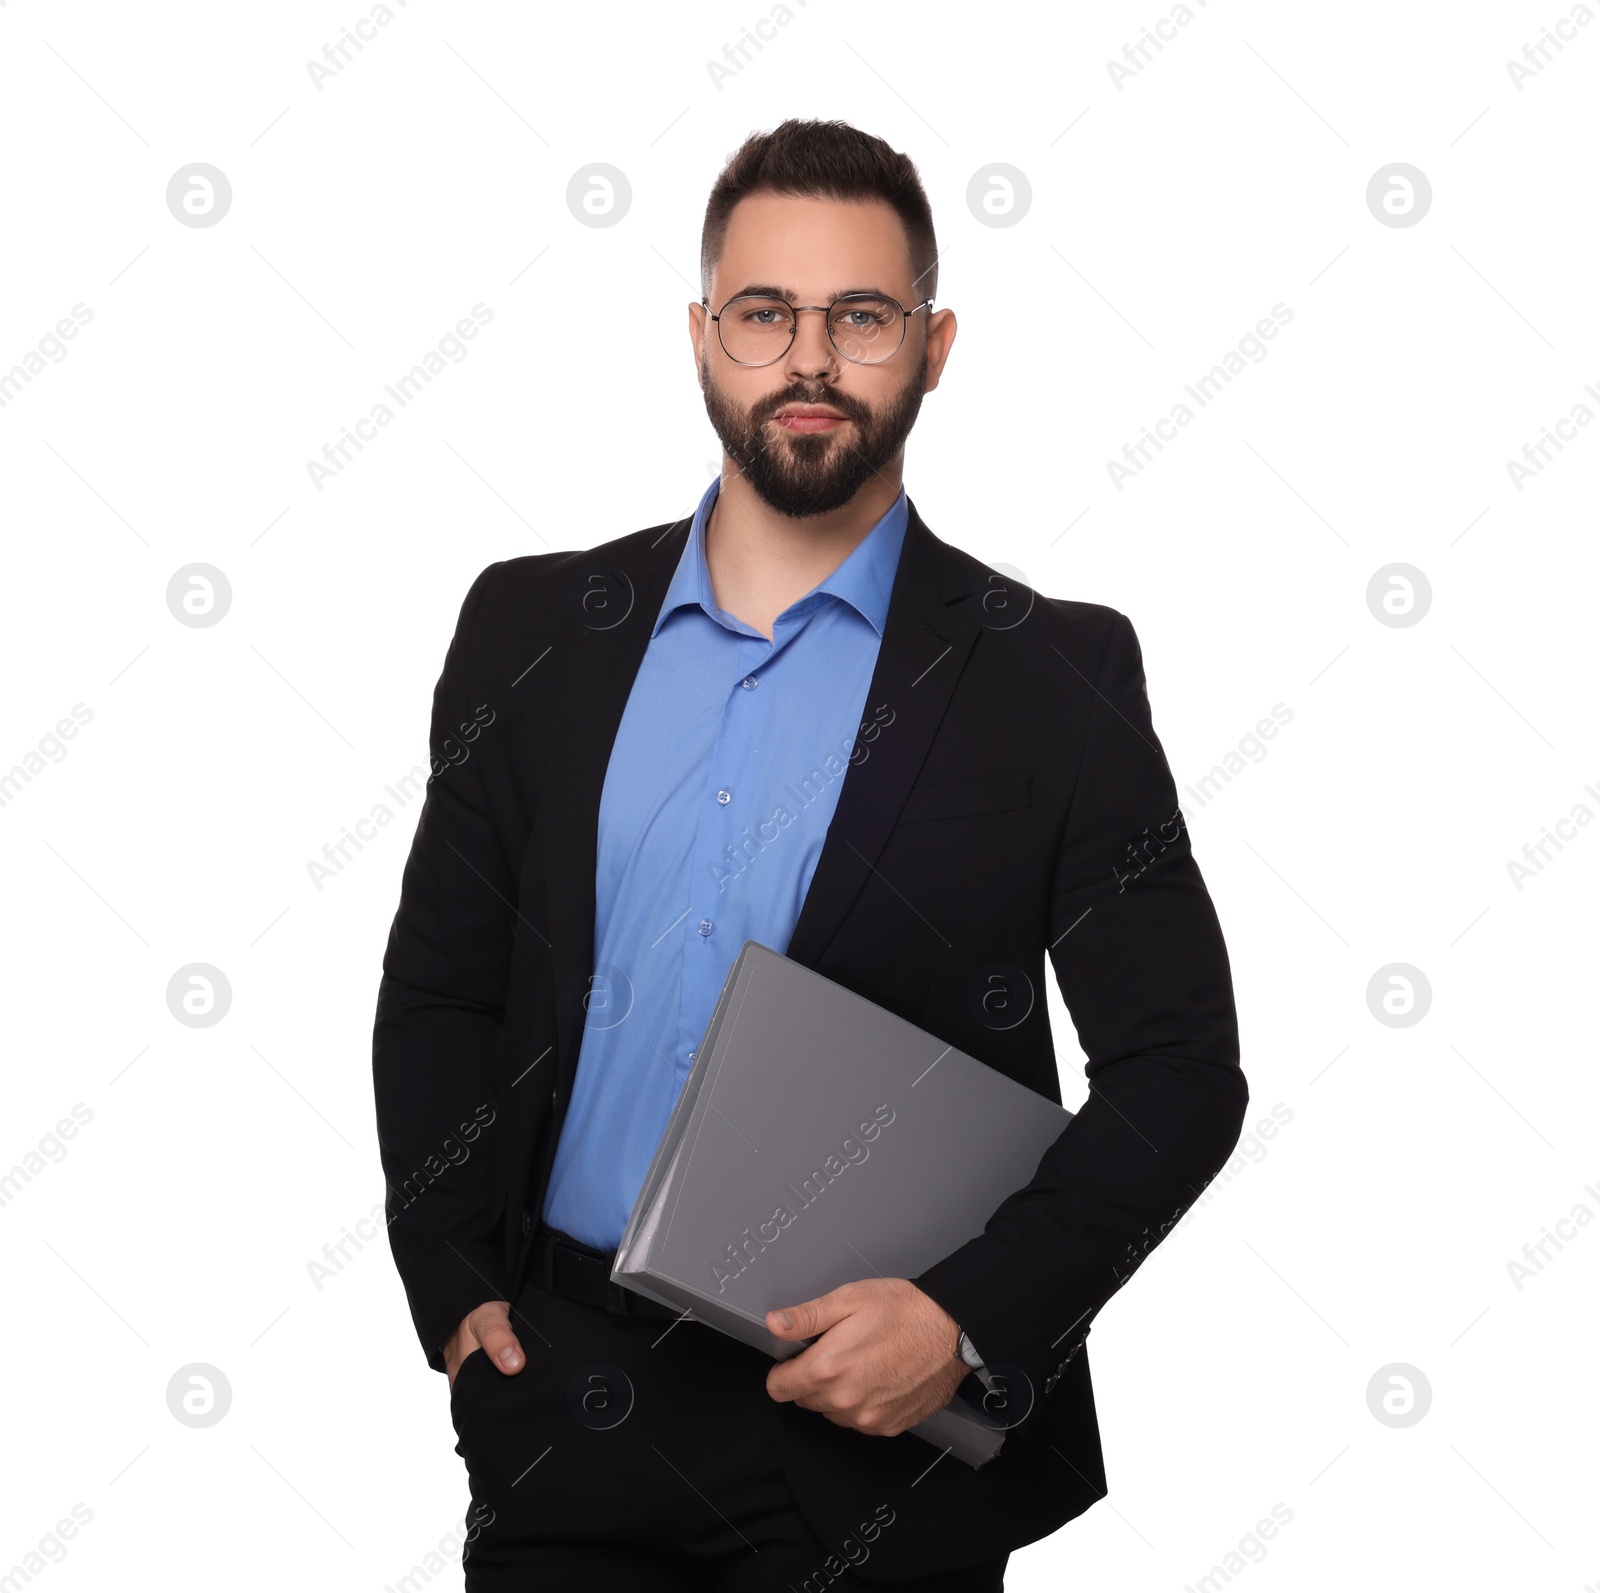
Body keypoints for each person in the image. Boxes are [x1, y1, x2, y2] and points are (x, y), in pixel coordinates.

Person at [372, 117, 1247, 1592]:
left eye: (863, 316)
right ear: (703, 334)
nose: (811, 360)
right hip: (562, 1398)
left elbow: (1179, 1069)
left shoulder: (1056, 676)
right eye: (765, 313)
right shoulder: (531, 633)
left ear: (936, 342)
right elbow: (442, 986)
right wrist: (456, 1288)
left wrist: (966, 1321)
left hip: (883, 1438)